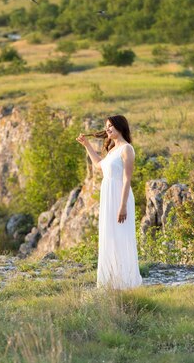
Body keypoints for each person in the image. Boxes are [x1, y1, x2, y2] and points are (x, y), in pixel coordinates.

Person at [76, 115, 143, 289]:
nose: (107, 129)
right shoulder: (112, 149)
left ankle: (126, 281)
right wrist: (87, 145)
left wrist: (122, 206)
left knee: (121, 236)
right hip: (108, 196)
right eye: (106, 126)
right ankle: (111, 280)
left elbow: (127, 179)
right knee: (109, 236)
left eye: (111, 126)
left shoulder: (127, 149)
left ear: (120, 127)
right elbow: (98, 165)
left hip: (120, 196)